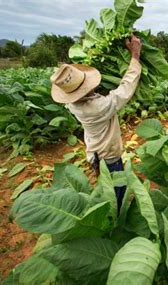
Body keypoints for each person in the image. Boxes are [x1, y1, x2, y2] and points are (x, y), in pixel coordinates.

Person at [49, 34, 142, 214]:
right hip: (108, 159)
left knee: (105, 189)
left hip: (95, 154)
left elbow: (92, 94)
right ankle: (114, 222)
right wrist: (135, 56)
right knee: (116, 197)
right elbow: (125, 89)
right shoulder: (97, 107)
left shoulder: (72, 104)